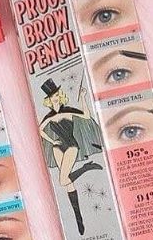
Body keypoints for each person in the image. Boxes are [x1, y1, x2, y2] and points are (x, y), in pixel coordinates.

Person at [39, 79, 103, 235]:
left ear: (60, 95)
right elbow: (39, 130)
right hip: (58, 147)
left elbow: (86, 115)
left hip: (71, 146)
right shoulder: (49, 116)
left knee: (62, 181)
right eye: (52, 96)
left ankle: (86, 168)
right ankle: (78, 219)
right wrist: (52, 141)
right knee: (68, 183)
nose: (55, 98)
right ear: (48, 100)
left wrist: (82, 98)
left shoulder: (68, 110)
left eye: (56, 95)